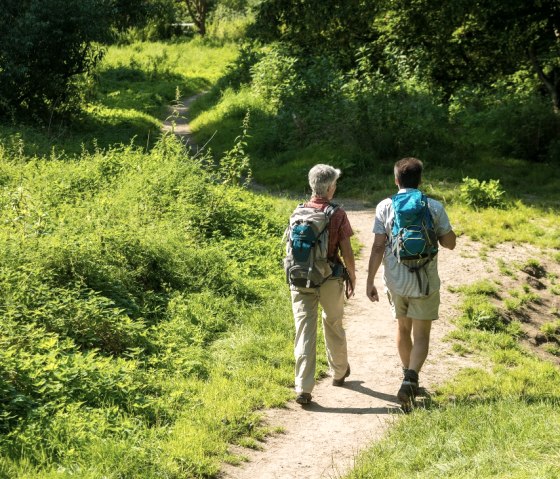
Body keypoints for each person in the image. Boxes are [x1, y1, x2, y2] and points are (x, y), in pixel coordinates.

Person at [366, 157, 456, 410]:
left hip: (396, 280)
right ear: (420, 180)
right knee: (422, 335)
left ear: (396, 180)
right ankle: (411, 378)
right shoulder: (433, 206)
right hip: (425, 281)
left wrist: (370, 280)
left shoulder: (385, 206)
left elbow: (377, 246)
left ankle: (408, 375)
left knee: (402, 329)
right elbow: (449, 243)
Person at [290, 164, 356, 405]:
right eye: (335, 184)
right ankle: (339, 373)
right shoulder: (337, 214)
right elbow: (347, 251)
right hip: (329, 277)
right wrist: (352, 276)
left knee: (304, 330)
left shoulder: (297, 212)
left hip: (300, 278)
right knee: (334, 323)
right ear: (329, 188)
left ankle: (303, 388)